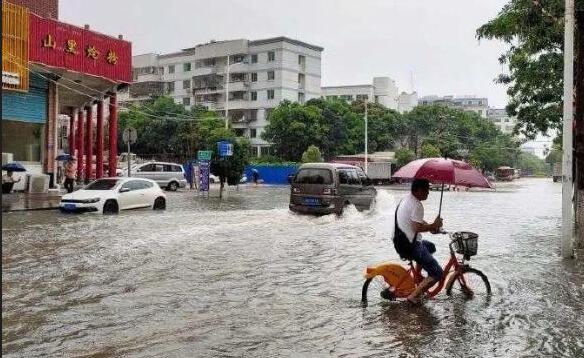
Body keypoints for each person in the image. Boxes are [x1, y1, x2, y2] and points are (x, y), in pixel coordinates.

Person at [391, 178, 443, 305]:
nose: (428, 193)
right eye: (427, 190)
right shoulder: (417, 205)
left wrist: (432, 227)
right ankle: (413, 296)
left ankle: (418, 276)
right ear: (419, 190)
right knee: (438, 273)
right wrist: (432, 225)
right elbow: (417, 227)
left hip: (400, 242)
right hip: (409, 246)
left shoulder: (407, 199)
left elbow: (416, 221)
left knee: (431, 247)